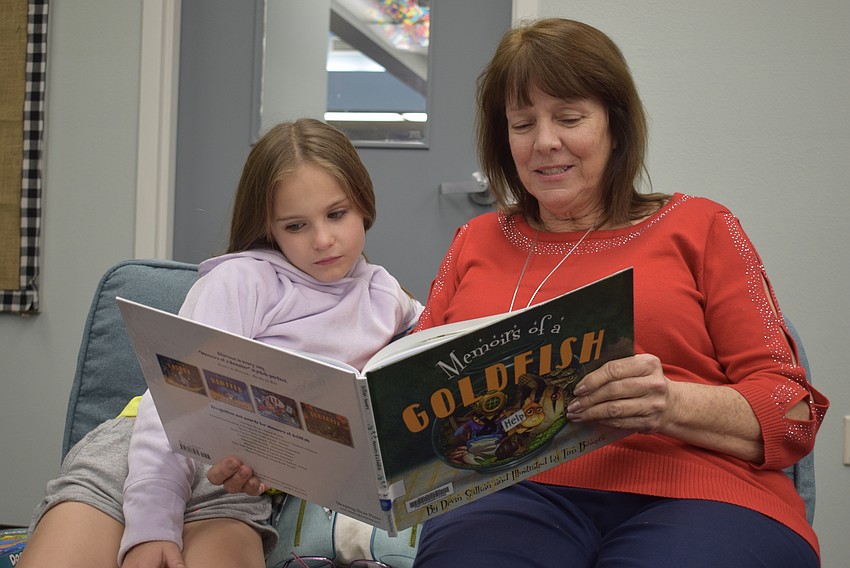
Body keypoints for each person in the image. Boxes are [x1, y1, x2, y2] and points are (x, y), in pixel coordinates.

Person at [209, 18, 829, 568]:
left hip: (701, 492)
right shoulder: (477, 239)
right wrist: (283, 454)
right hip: (510, 496)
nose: (545, 142)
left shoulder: (702, 225)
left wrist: (671, 404)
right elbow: (404, 409)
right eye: (523, 123)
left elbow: (794, 413)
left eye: (569, 117)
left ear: (615, 123)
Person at [18, 118, 422, 568]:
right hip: (143, 455)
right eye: (295, 226)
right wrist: (151, 523)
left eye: (336, 214)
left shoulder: (387, 296)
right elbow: (169, 403)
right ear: (269, 227)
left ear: (364, 204)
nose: (323, 239)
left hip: (234, 483)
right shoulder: (243, 280)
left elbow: (441, 339)